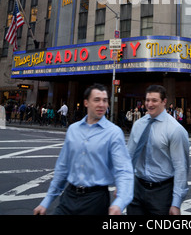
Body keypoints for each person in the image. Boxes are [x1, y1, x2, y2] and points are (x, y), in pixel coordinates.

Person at [33, 83, 133, 216]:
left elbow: (124, 170)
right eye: (97, 100)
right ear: (86, 103)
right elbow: (62, 168)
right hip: (69, 197)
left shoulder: (114, 133)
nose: (102, 104)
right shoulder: (73, 130)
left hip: (96, 200)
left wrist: (119, 203)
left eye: (105, 100)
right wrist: (46, 202)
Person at [127, 84, 189, 215]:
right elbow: (129, 156)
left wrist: (176, 203)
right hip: (136, 188)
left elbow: (181, 167)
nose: (149, 104)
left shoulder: (175, 130)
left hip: (161, 192)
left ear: (164, 102)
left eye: (154, 100)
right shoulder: (138, 125)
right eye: (147, 100)